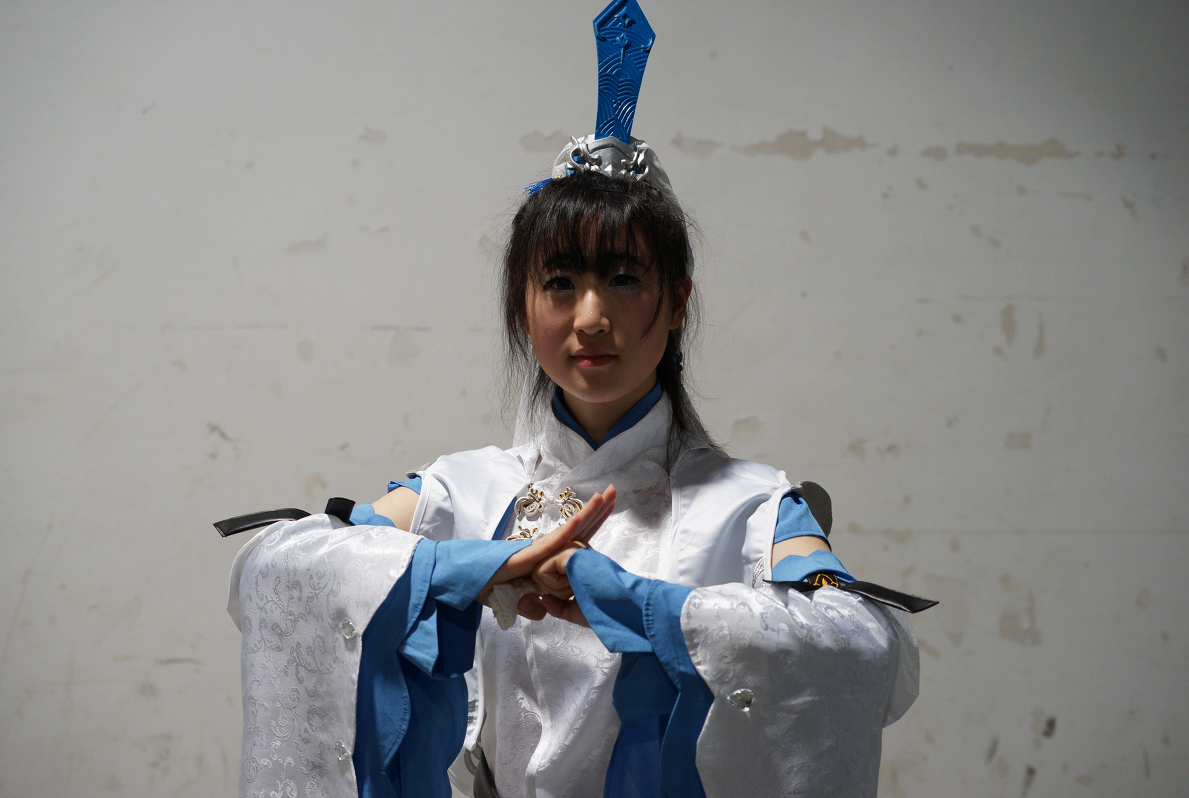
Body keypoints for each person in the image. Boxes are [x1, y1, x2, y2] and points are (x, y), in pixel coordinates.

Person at [224, 2, 932, 796]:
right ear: (523, 306)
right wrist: (466, 568)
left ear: (677, 299)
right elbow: (274, 569)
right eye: (560, 283)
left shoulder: (754, 506)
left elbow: (867, 647)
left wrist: (650, 611)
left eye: (624, 279)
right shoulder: (463, 490)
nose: (590, 317)